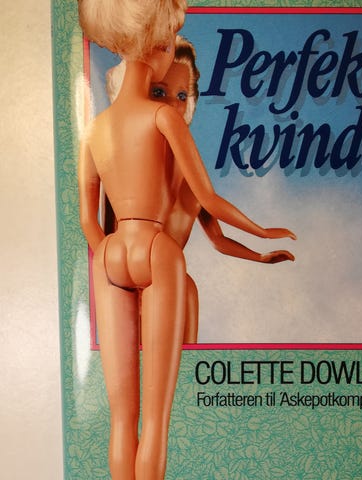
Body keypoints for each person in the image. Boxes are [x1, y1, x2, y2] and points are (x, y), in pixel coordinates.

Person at [77, 1, 295, 477]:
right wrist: (262, 230)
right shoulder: (163, 119)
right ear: (156, 47)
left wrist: (107, 255)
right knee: (155, 420)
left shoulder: (94, 129)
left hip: (110, 255)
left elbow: (89, 221)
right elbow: (211, 199)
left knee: (122, 418)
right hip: (157, 251)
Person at [106, 36, 295, 344]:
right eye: (159, 92)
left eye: (181, 96)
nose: (172, 104)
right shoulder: (123, 162)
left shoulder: (190, 174)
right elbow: (103, 234)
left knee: (188, 291)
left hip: (171, 279)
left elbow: (218, 239)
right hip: (129, 283)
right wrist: (261, 232)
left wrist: (260, 256)